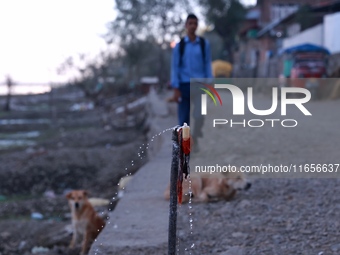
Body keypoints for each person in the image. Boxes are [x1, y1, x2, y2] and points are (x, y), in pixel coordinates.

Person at [170, 13, 213, 151]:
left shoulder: (203, 44)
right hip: (183, 85)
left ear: (197, 25)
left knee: (200, 116)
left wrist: (210, 83)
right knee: (183, 119)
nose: (193, 26)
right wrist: (175, 87)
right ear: (186, 25)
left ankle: (196, 135)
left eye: (195, 23)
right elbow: (175, 67)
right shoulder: (180, 46)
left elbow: (207, 64)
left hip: (200, 85)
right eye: (190, 23)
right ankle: (186, 145)